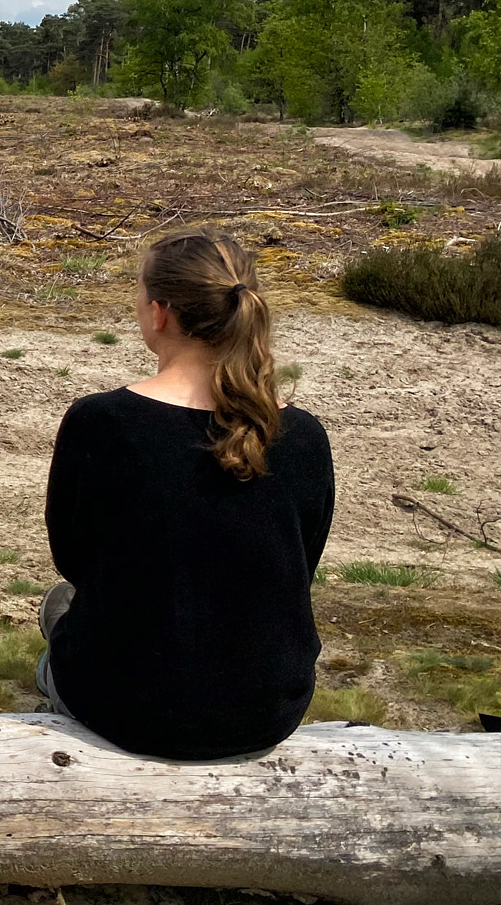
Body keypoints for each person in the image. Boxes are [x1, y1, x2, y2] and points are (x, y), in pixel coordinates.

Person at [37, 228, 335, 760]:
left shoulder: (101, 421)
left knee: (59, 610)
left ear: (159, 313)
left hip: (132, 710)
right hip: (268, 709)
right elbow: (300, 564)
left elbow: (74, 558)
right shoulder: (303, 434)